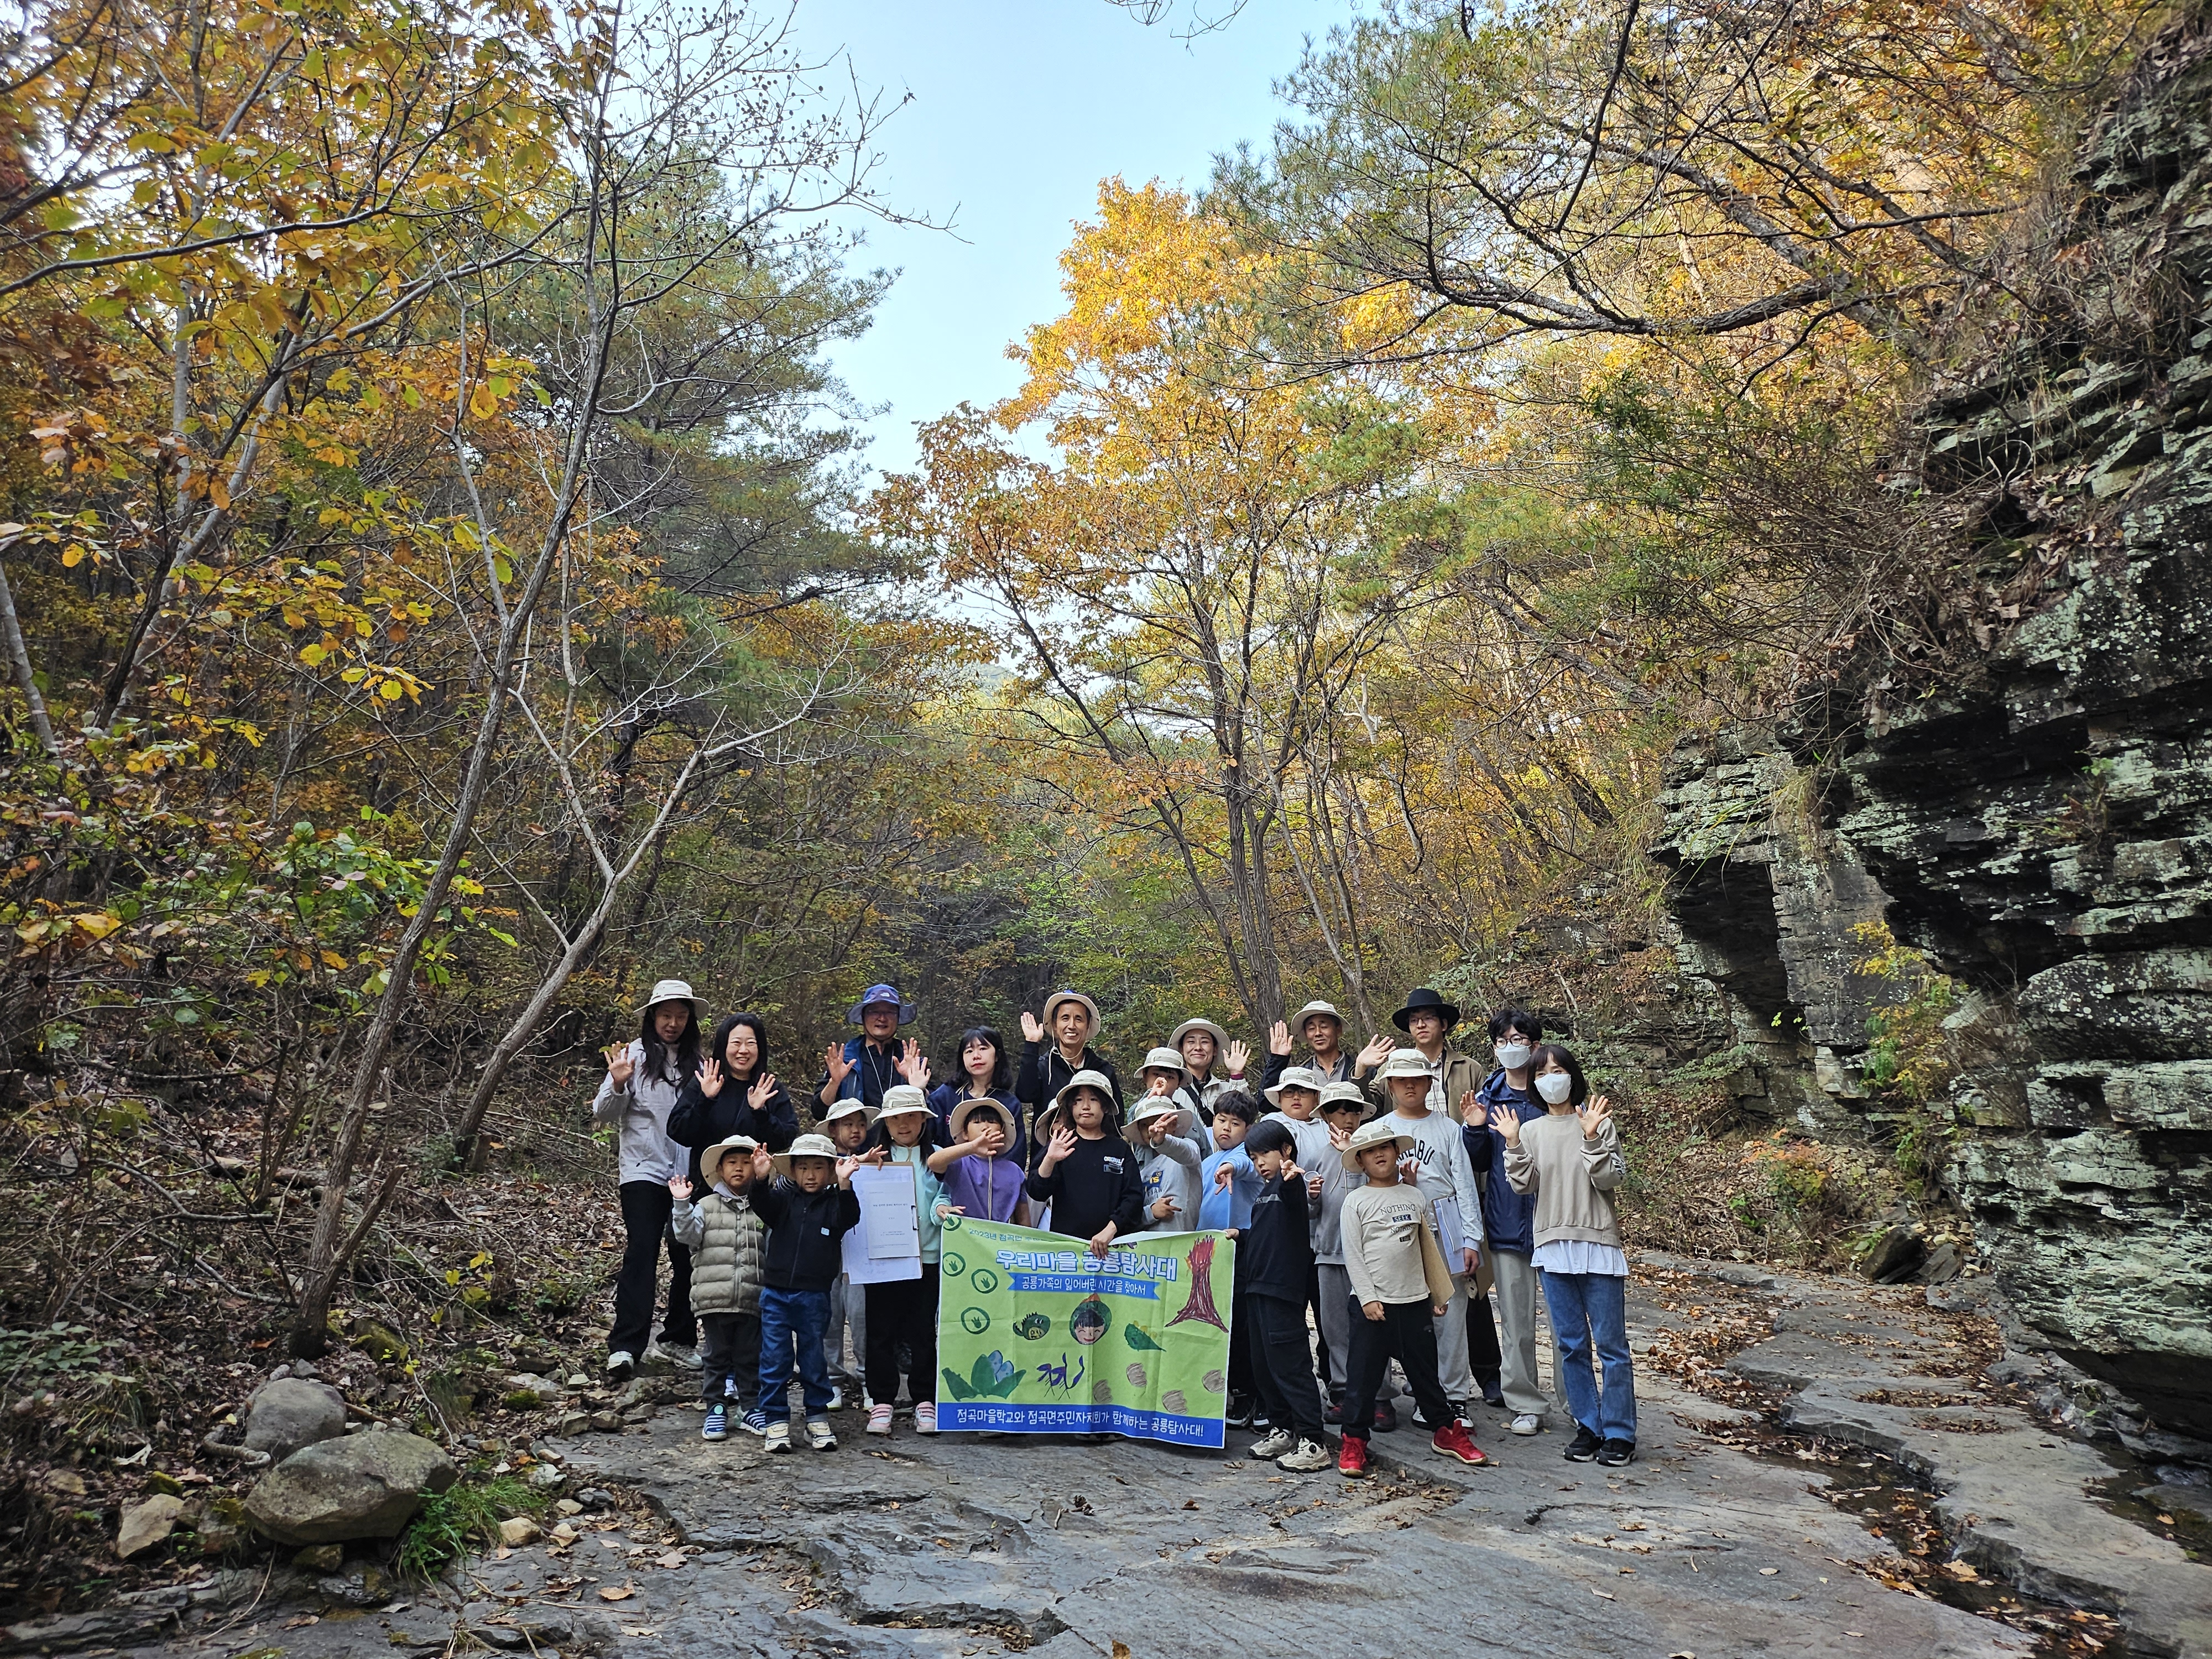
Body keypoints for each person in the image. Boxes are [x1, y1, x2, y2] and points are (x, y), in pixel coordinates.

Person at [1503, 1042, 1636, 1467]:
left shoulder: (1596, 1122)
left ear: (1573, 1075)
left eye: (1558, 1071)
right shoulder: (1531, 1130)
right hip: (1552, 1246)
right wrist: (1512, 1144)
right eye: (1541, 1074)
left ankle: (1619, 1432)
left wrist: (1593, 1136)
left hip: (1598, 1243)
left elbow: (1612, 1177)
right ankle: (1589, 1425)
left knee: (1612, 1346)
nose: (1550, 1079)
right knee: (1570, 1345)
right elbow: (1524, 1185)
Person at [1335, 1118, 1488, 1477]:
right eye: (1370, 1152)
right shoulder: (1355, 1201)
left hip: (1415, 1302)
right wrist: (1368, 1298)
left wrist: (1436, 1291)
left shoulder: (1414, 1195)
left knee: (1426, 1377)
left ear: (1396, 1151)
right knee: (1363, 1378)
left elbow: (1425, 1246)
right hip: (1374, 1307)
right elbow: (1353, 1255)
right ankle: (1354, 1440)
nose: (1379, 1155)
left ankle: (1446, 1432)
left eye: (1384, 1148)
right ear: (1361, 1161)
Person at [593, 979, 705, 1380]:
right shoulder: (632, 1057)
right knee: (642, 1250)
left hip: (688, 1172)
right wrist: (619, 1082)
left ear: (690, 1021)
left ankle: (678, 1338)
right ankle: (626, 1346)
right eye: (665, 1016)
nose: (672, 1024)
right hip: (642, 1170)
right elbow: (603, 1112)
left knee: (686, 1256)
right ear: (652, 1017)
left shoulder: (701, 1064)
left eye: (680, 1016)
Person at [1374, 1047, 1485, 1427]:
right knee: (1407, 1316)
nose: (1409, 1085)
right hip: (1396, 1230)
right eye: (1401, 1079)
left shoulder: (1449, 1129)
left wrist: (1471, 1240)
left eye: (1416, 1079)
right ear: (1389, 1084)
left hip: (1445, 1222)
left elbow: (1466, 1187)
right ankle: (1422, 1393)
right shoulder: (1380, 1131)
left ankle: (1454, 1398)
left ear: (1428, 1083)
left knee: (1451, 1317)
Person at [1460, 1008, 1549, 1434]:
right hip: (1507, 1220)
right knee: (1516, 1323)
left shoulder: (1554, 1091)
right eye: (1503, 1040)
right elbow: (1476, 1162)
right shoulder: (1487, 1096)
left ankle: (1578, 1403)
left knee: (1570, 1324)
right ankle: (1525, 1401)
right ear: (1495, 1048)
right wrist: (1475, 1129)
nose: (1511, 1047)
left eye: (1520, 1039)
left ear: (1535, 1045)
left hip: (1557, 1222)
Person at [747, 1135, 862, 1454]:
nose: (811, 1175)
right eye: (804, 1168)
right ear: (793, 1172)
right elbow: (762, 1204)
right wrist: (759, 1177)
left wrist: (844, 1184)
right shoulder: (782, 1201)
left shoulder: (833, 1205)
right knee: (775, 1359)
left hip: (814, 1296)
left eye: (818, 1168)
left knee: (813, 1359)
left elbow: (850, 1217)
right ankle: (776, 1422)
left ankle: (817, 1418)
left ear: (829, 1171)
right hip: (776, 1294)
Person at [1236, 1120, 1334, 1473]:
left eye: (1266, 1153)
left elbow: (1298, 1194)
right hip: (1257, 1287)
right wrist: (1240, 1235)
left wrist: (1295, 1176)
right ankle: (1283, 1429)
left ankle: (1313, 1440)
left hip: (1282, 1290)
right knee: (1264, 1366)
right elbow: (1268, 1233)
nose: (1260, 1161)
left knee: (1291, 1365)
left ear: (1286, 1151)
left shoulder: (1291, 1183)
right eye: (1254, 1156)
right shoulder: (1265, 1192)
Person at [667, 1135, 766, 1441]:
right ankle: (716, 1409)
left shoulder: (764, 1205)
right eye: (732, 1163)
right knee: (716, 1355)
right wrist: (681, 1204)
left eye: (746, 1163)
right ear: (720, 1170)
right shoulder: (706, 1205)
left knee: (750, 1355)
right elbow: (687, 1236)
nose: (739, 1169)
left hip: (753, 1295)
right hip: (715, 1297)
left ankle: (750, 1408)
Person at [861, 1086, 948, 1436]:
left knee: (923, 1331)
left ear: (924, 1119)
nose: (904, 1123)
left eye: (912, 1115)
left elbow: (947, 1191)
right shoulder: (873, 1156)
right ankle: (881, 1400)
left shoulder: (939, 1156)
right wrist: (863, 1166)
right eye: (896, 1117)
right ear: (886, 1122)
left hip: (927, 1256)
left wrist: (943, 1210)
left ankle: (924, 1400)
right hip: (883, 1258)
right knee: (881, 1330)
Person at [1312, 1081, 1381, 1431]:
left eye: (1355, 1110)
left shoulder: (1371, 1150)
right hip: (1327, 1253)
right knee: (1335, 1329)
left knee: (1372, 1329)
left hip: (1368, 1258)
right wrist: (1309, 1197)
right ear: (1324, 1115)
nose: (1349, 1118)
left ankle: (1379, 1397)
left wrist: (1354, 1157)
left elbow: (1372, 1200)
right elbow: (1313, 1213)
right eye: (1341, 1110)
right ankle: (1342, 1393)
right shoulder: (1319, 1156)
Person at [1260, 1063, 1335, 1389]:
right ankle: (1290, 1385)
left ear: (1315, 1096)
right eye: (1288, 1091)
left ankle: (1335, 1381)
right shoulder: (1272, 1124)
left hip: (1323, 1231)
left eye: (1302, 1091)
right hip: (1284, 1236)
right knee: (1288, 1316)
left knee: (1327, 1316)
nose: (1295, 1097)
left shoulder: (1327, 1128)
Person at [668, 1011, 800, 1186]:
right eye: (736, 1043)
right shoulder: (706, 1081)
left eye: (751, 1044)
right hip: (707, 1189)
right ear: (724, 1046)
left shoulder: (768, 1087)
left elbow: (786, 1138)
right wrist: (706, 1100)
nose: (743, 1050)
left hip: (755, 1192)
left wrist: (761, 1114)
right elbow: (678, 1131)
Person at [1024, 1071, 1144, 1256]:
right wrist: (1050, 1159)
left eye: (1094, 1099)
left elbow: (1134, 1197)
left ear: (1105, 1107)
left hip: (1112, 1252)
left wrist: (1110, 1230)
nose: (1086, 1106)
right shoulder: (1061, 1143)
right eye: (1078, 1100)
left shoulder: (1120, 1149)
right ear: (1071, 1107)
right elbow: (1036, 1191)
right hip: (1066, 1253)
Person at [1199, 1091, 1261, 1427]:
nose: (1226, 1128)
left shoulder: (1245, 1159)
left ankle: (1247, 1394)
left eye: (1235, 1123)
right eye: (1221, 1120)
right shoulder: (1207, 1162)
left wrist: (1230, 1166)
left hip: (1241, 1251)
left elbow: (1246, 1166)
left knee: (1241, 1326)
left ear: (1247, 1129)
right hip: (1209, 1255)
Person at [817, 1097, 877, 1402]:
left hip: (862, 1252)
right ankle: (833, 1381)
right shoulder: (822, 1162)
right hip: (828, 1253)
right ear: (833, 1129)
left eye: (861, 1124)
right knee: (830, 1317)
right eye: (848, 1124)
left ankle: (869, 1381)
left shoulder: (877, 1160)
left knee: (862, 1318)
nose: (856, 1130)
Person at [1015, 992, 1121, 1157]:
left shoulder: (1103, 1070)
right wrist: (1031, 1045)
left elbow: (1116, 1121)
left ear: (1088, 1026)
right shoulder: (1044, 1066)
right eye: (1065, 1018)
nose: (1072, 1025)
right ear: (1055, 1026)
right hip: (1049, 1161)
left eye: (1079, 1019)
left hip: (1094, 1159)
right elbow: (1025, 1094)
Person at [818, 983, 927, 1115]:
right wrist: (834, 1083)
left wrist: (919, 1088)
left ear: (898, 1018)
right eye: (874, 1011)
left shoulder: (911, 1058)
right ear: (863, 1016)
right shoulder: (845, 1059)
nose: (882, 1018)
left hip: (902, 1131)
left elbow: (935, 1108)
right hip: (858, 1133)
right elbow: (819, 1111)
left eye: (890, 1012)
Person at [927, 1026, 1025, 1166]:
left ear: (997, 1055)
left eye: (983, 1049)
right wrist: (917, 1090)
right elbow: (923, 1136)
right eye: (969, 1051)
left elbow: (1016, 1157)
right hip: (948, 1179)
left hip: (996, 1182)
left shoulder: (1009, 1103)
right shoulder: (946, 1095)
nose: (976, 1056)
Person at [1129, 1050, 1204, 1232]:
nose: (1154, 1128)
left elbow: (1193, 1156)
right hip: (1147, 1254)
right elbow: (1127, 1216)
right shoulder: (1136, 1171)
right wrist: (1151, 1213)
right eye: (1156, 1075)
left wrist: (1163, 1141)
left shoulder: (1187, 1151)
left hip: (1180, 1247)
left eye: (1170, 1076)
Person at [928, 1094, 1029, 1224]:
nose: (985, 1127)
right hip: (965, 1237)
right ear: (965, 1133)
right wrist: (972, 1147)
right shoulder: (960, 1164)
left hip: (1001, 1240)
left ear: (1003, 1131)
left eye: (992, 1122)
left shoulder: (1015, 1171)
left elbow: (1024, 1219)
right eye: (977, 1122)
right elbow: (933, 1162)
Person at [1387, 988, 1483, 1122]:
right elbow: (1365, 1109)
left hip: (1457, 1142)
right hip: (1407, 1142)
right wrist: (1361, 1070)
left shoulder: (1470, 1069)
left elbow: (1484, 1113)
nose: (1420, 1025)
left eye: (1428, 1018)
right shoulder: (1394, 1068)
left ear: (1443, 1024)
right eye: (1414, 1020)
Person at [1262, 999, 1392, 1092]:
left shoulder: (1363, 1071)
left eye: (1324, 1026)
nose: (1318, 1033)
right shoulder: (1301, 1076)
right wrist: (1277, 1060)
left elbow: (1375, 1110)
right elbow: (1267, 1105)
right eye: (1311, 1029)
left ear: (1338, 1030)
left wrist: (1360, 1071)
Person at [1169, 1018, 1252, 1120]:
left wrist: (1236, 1074)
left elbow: (1245, 1117)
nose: (1198, 1047)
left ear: (1215, 1050)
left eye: (1205, 1042)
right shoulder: (1170, 1089)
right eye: (1191, 1042)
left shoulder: (1226, 1090)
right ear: (1181, 1049)